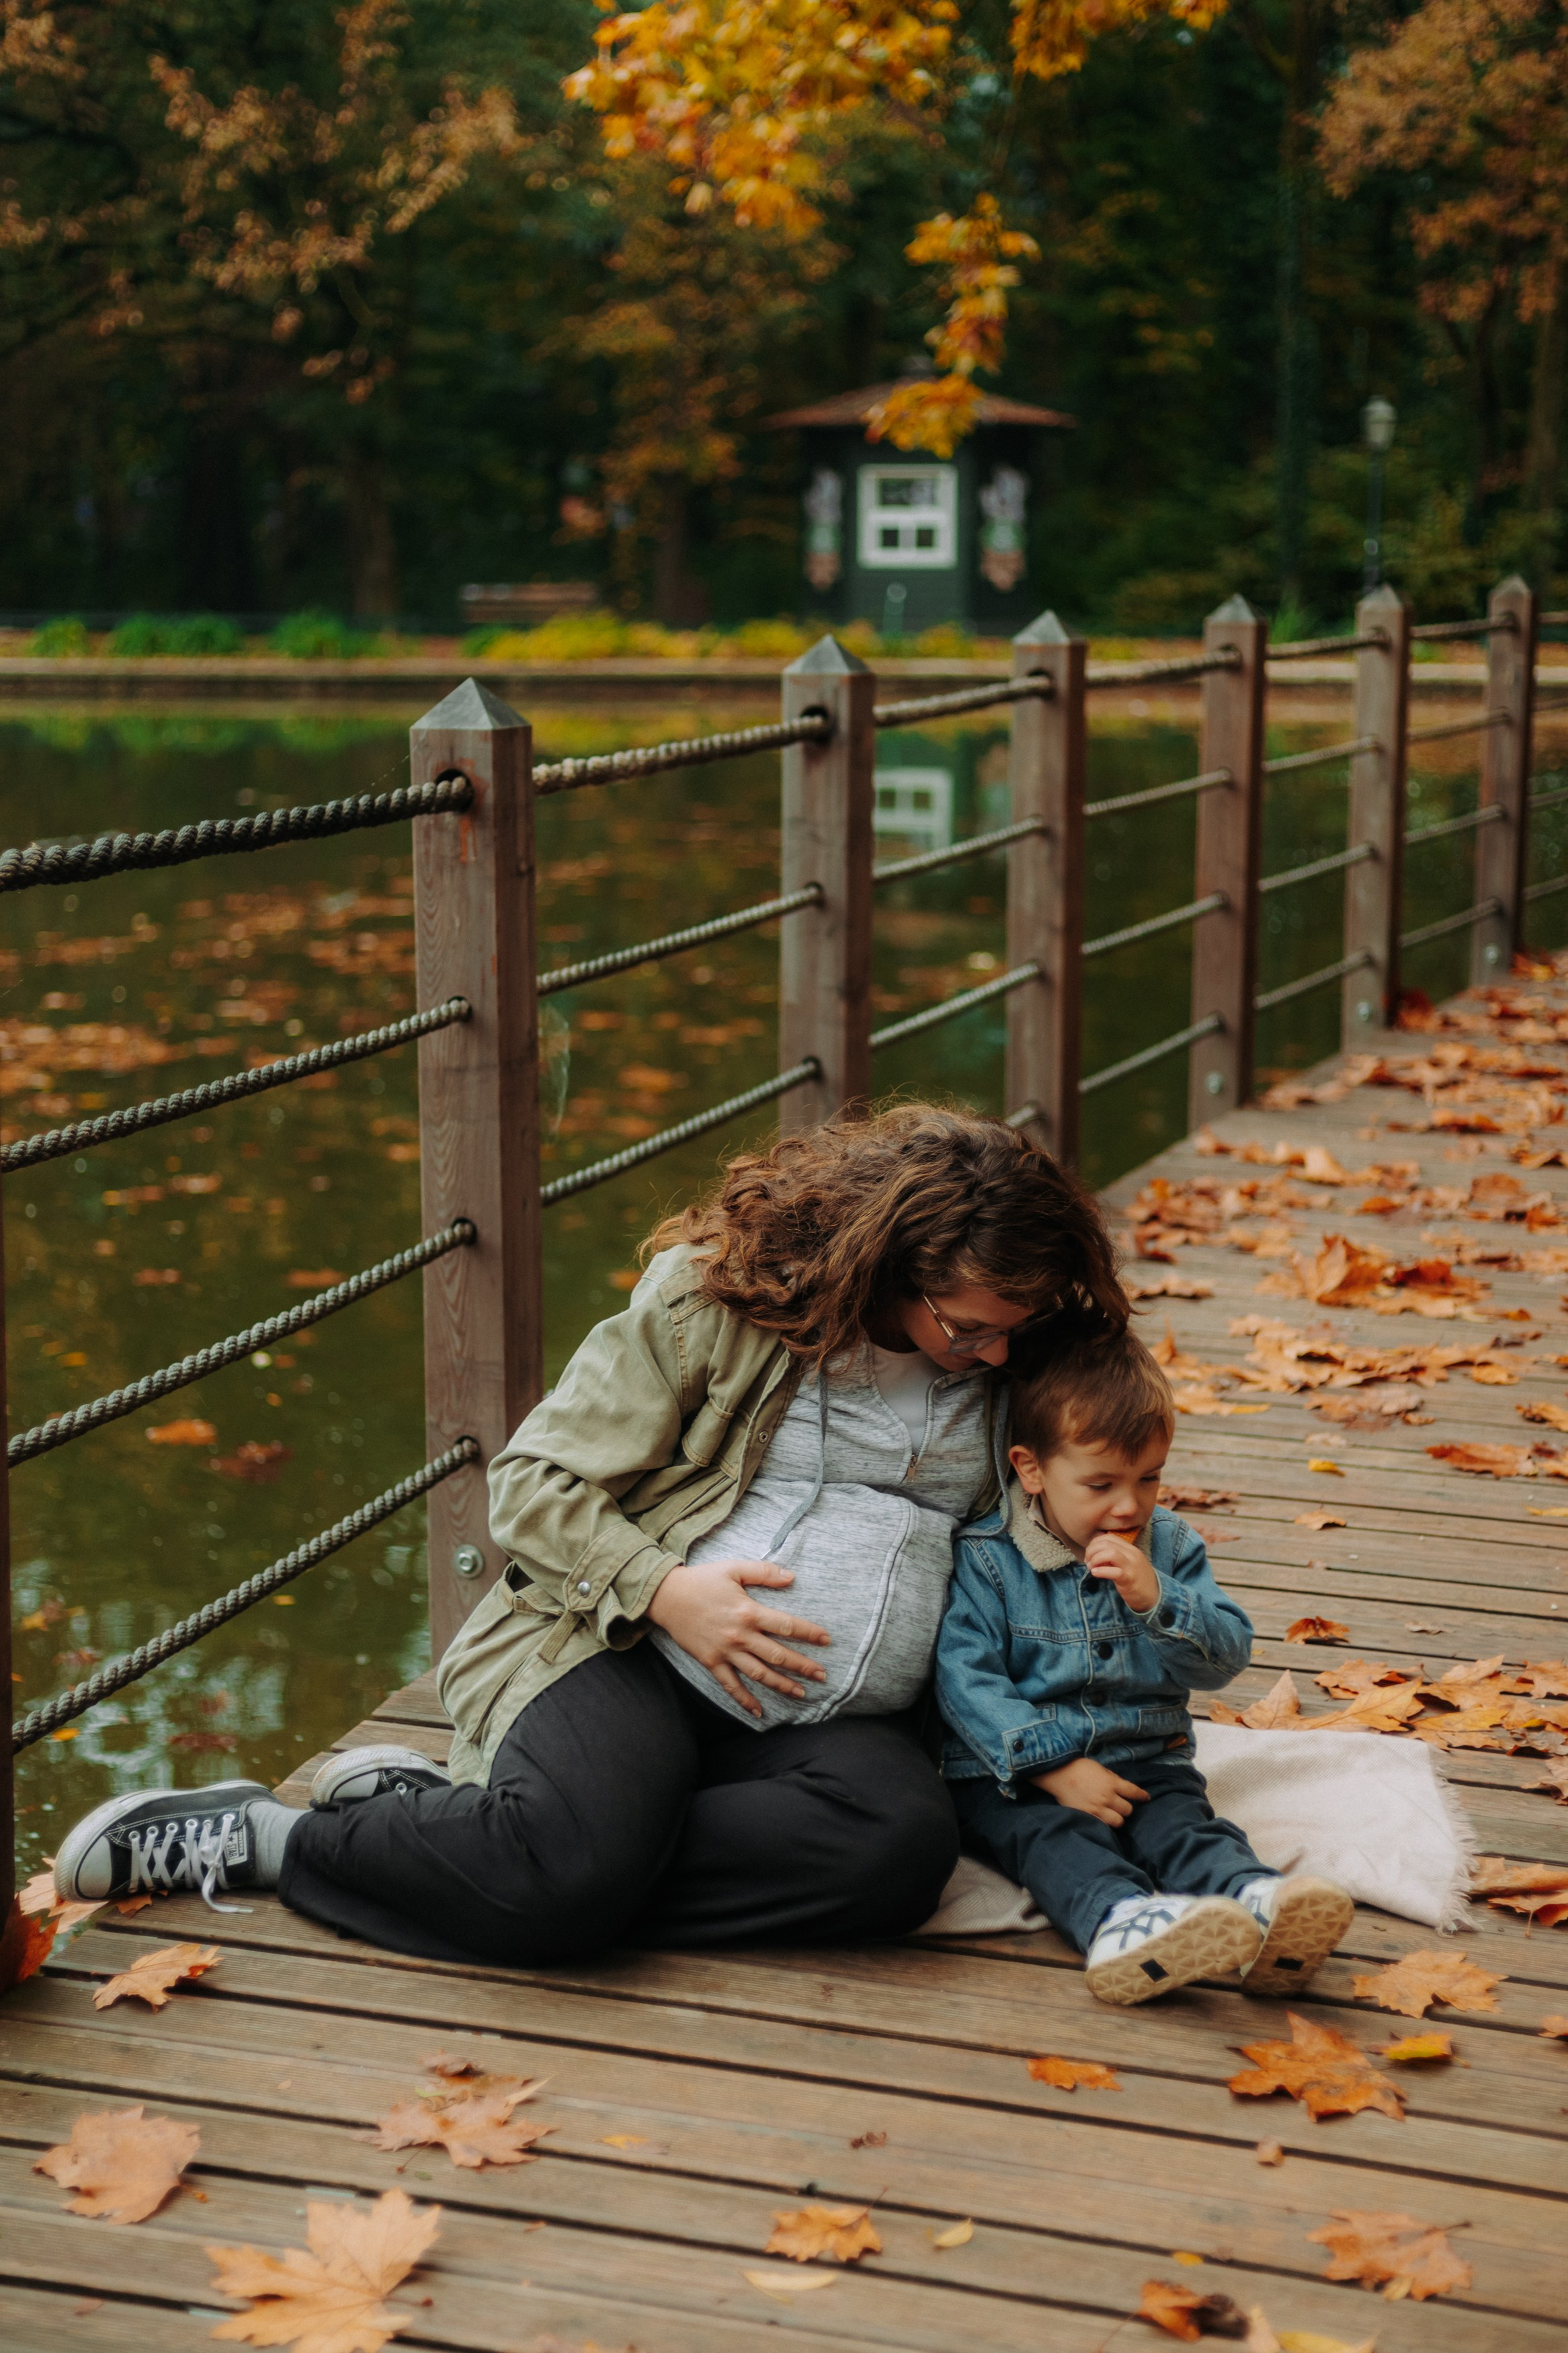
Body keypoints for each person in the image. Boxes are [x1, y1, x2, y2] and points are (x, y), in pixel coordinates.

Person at [56, 1105, 1126, 1967]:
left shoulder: (1017, 1363)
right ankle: (282, 1842)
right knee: (567, 1876)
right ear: (888, 1263)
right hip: (628, 1650)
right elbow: (531, 1484)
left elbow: (1084, 1487)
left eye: (1010, 1332)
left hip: (830, 1719)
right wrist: (668, 1592)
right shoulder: (722, 1308)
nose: (991, 1357)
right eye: (966, 1327)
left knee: (895, 1855)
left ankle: (494, 1841)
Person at [936, 1326, 1353, 2006]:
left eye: (1149, 1476)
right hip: (1013, 1774)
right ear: (1031, 1468)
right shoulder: (988, 1558)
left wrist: (1158, 1598)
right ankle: (1118, 1921)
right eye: (1099, 1483)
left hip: (1146, 1755)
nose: (1128, 1504)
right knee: (1053, 1837)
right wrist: (1051, 1765)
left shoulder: (1170, 1549)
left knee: (1183, 1824)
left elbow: (1223, 1658)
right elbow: (964, 1677)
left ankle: (1254, 1902)